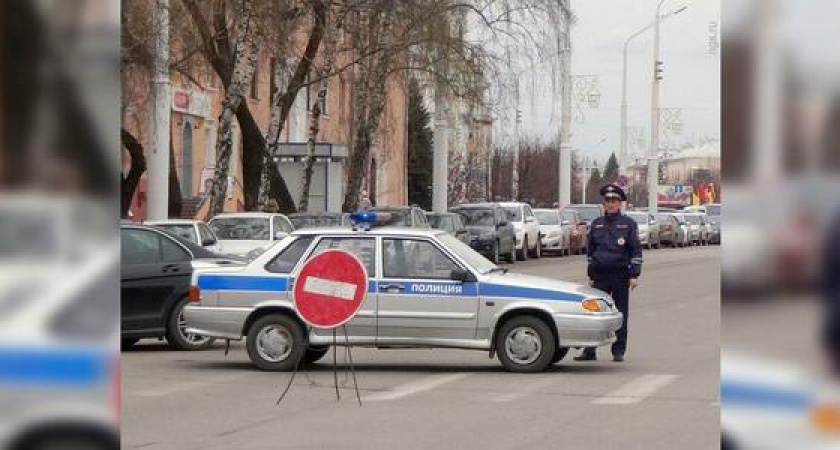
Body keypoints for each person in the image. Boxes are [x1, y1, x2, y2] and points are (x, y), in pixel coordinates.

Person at [574, 184, 642, 362]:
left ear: (620, 203)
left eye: (614, 201)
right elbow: (591, 252)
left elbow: (635, 251)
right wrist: (591, 275)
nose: (610, 204)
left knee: (620, 313)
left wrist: (634, 275)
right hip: (600, 276)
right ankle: (590, 351)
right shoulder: (597, 224)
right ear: (604, 203)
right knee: (594, 313)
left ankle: (618, 350)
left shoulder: (628, 224)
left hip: (620, 275)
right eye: (608, 201)